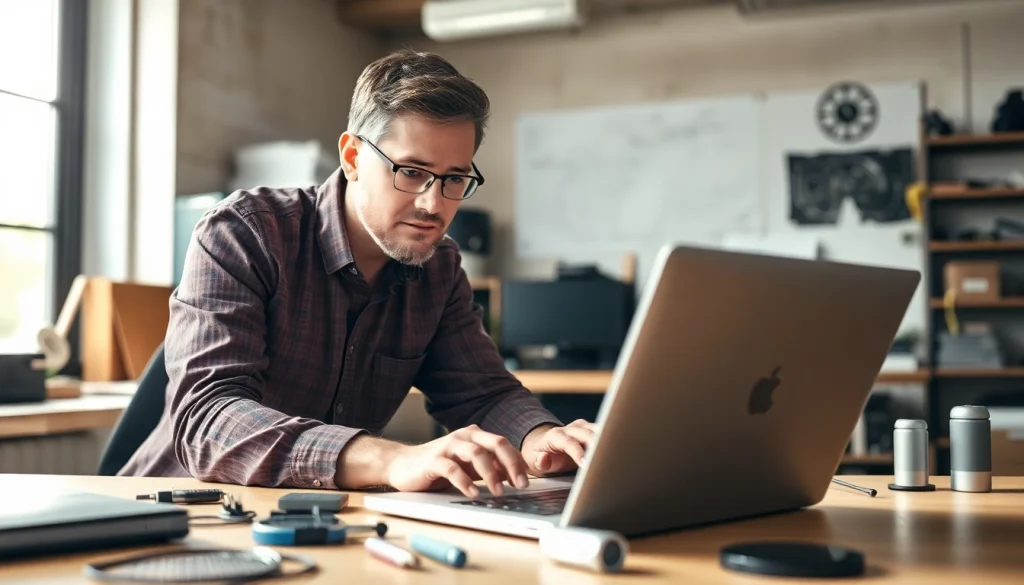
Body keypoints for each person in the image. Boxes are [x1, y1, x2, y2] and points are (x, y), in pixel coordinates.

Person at [119, 49, 596, 498]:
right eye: (411, 171)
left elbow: (483, 394)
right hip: (177, 516)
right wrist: (391, 460)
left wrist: (541, 439)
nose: (434, 204)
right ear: (351, 158)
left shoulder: (440, 269)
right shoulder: (245, 234)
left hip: (325, 526)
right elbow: (210, 422)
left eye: (455, 179)